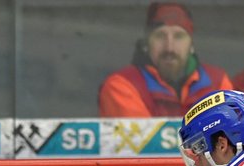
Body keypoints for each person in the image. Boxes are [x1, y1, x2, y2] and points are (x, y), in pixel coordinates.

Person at [98, 2, 232, 117]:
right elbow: (146, 145)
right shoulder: (122, 86)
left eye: (179, 36)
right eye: (160, 36)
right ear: (146, 43)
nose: (169, 47)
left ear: (191, 44)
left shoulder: (218, 83)